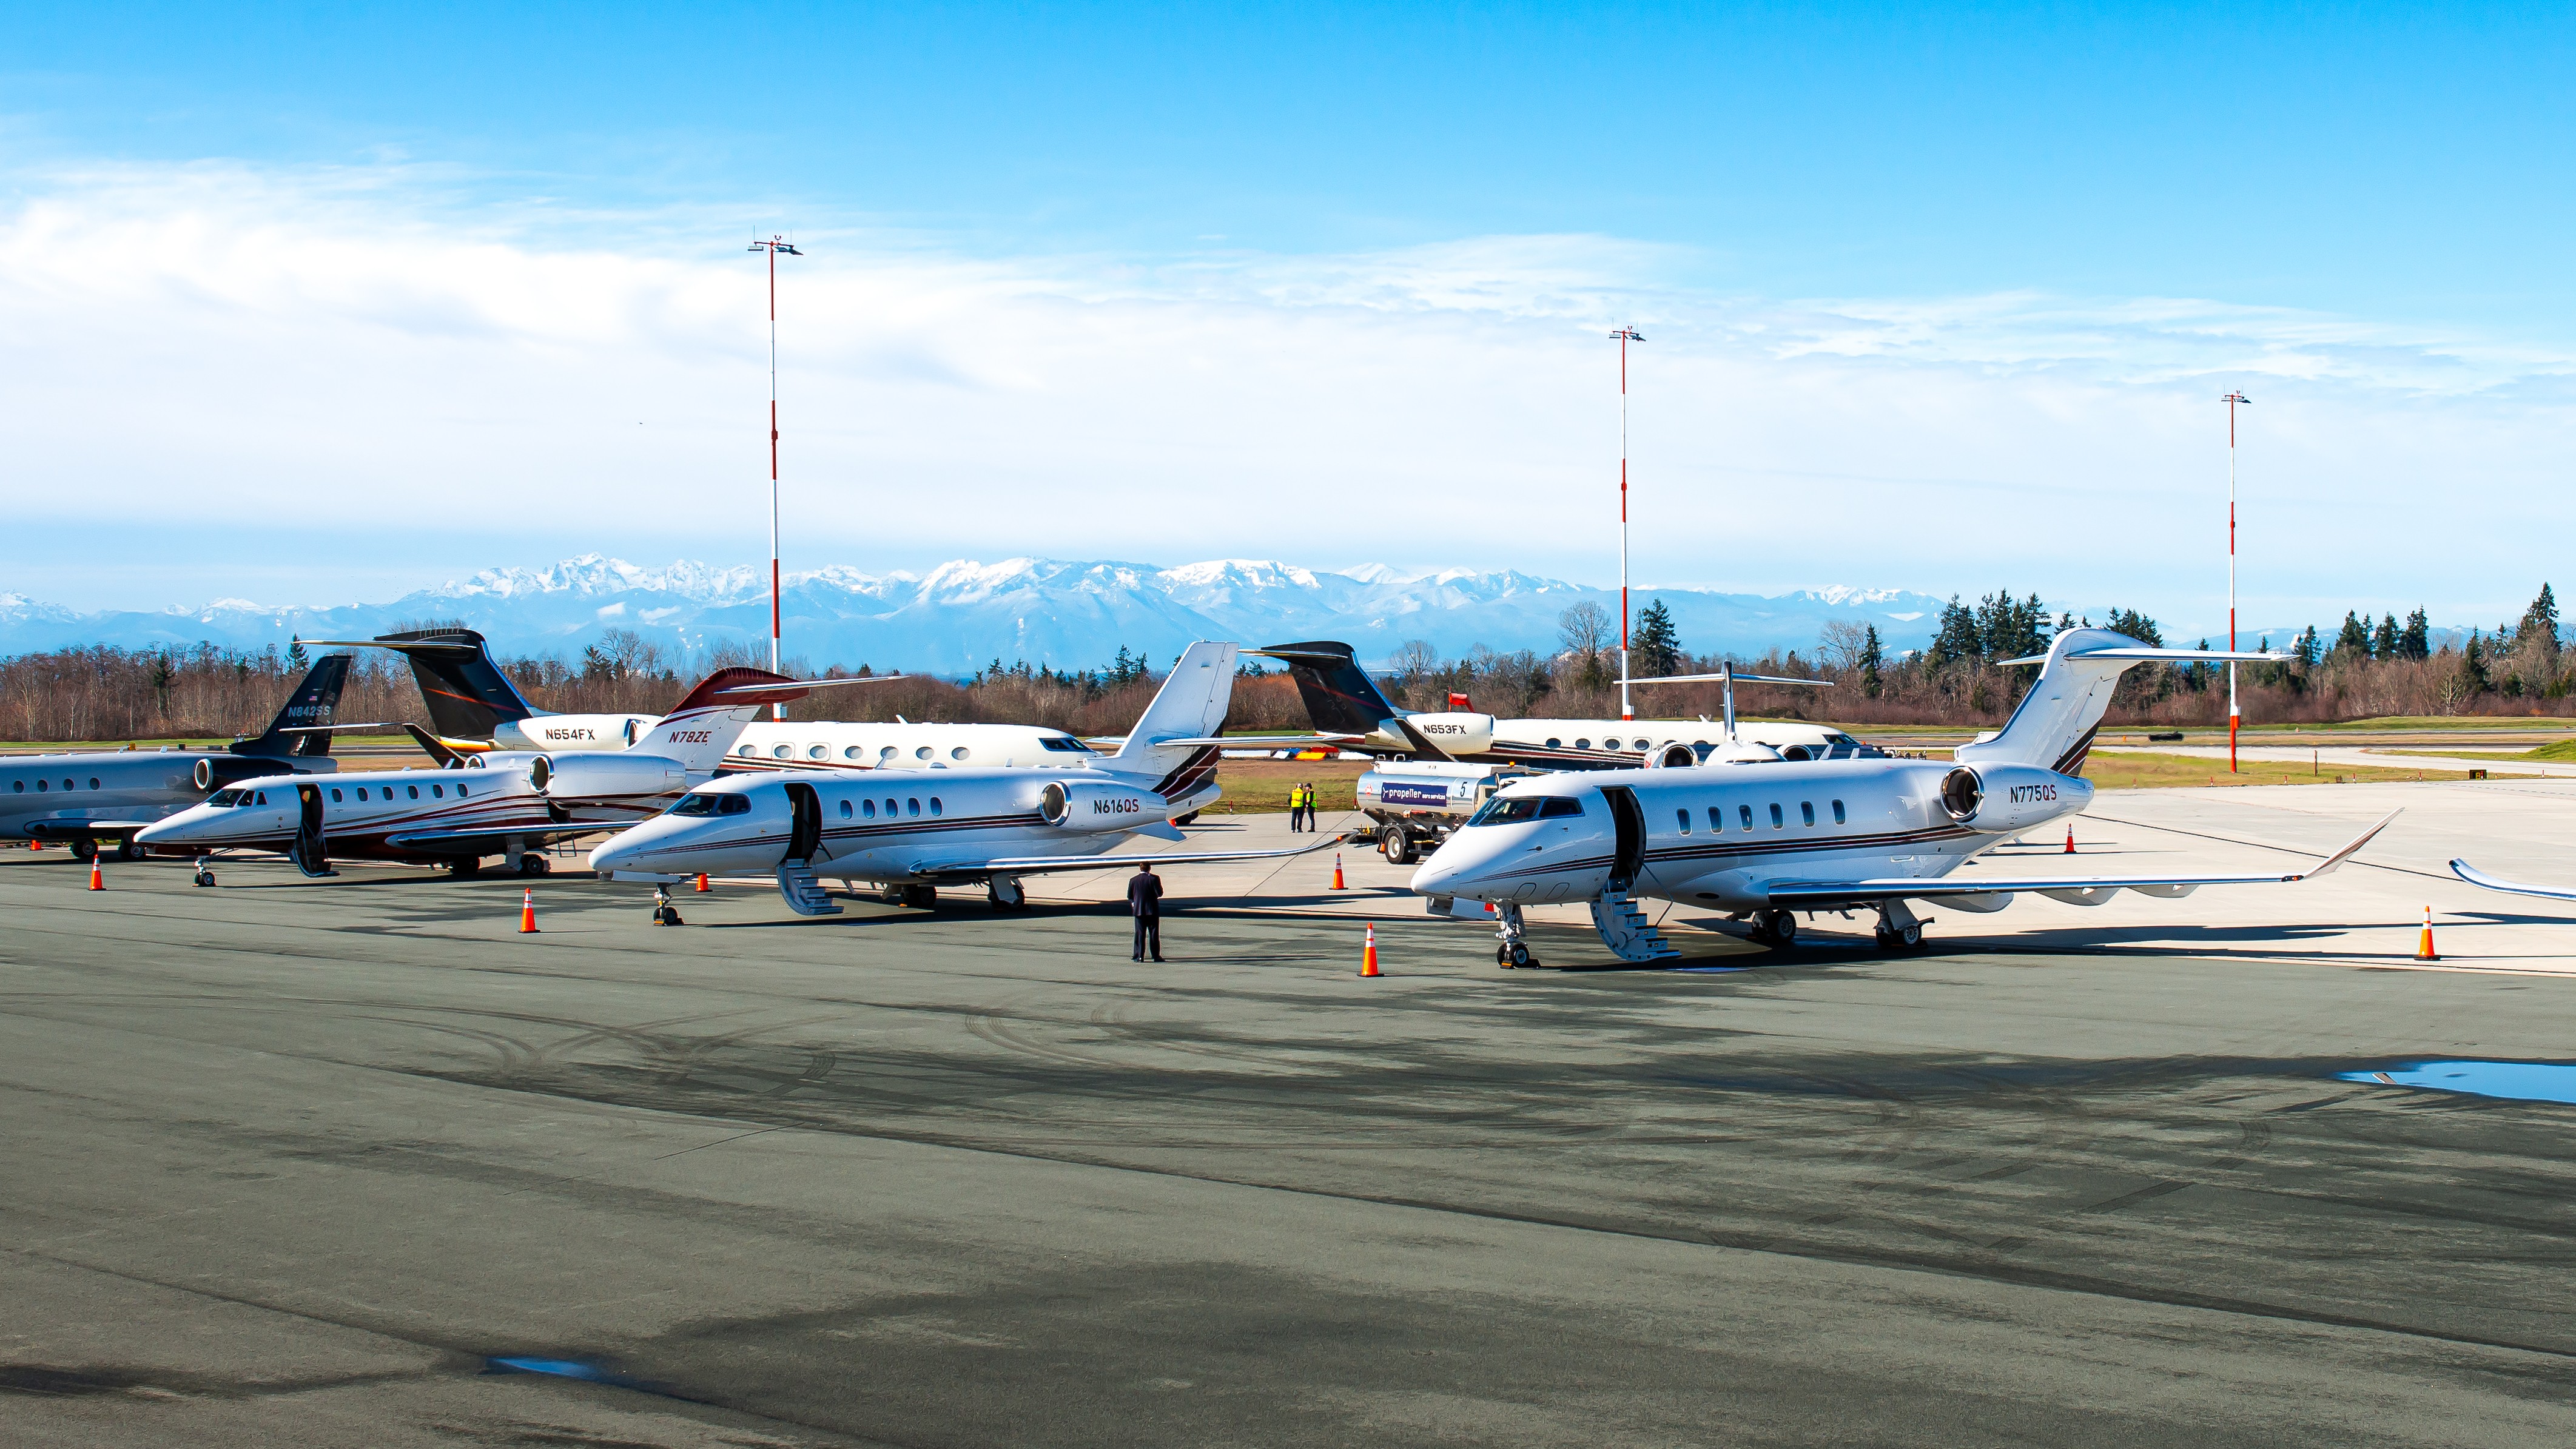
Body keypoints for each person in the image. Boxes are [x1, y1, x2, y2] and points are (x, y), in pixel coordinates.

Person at [1128, 862, 1165, 962]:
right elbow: (1160, 893)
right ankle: (1156, 956)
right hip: (1152, 911)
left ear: (1140, 869)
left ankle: (1139, 955)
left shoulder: (1133, 880)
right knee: (1153, 934)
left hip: (1139, 911)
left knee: (1140, 934)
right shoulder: (1154, 879)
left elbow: (1130, 896)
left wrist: (1134, 904)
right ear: (1149, 868)